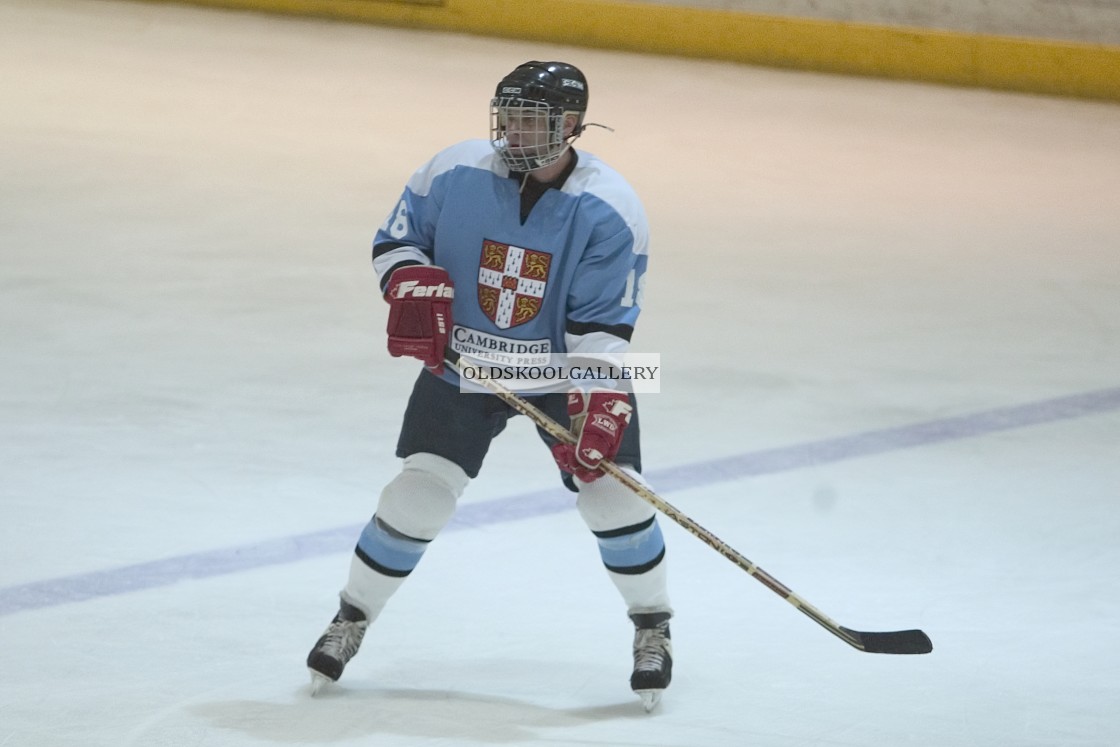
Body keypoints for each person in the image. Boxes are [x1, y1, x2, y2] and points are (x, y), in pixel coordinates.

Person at [306, 60, 673, 711]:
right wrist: (410, 285)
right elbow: (398, 240)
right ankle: (352, 615)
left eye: (535, 116)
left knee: (612, 496)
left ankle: (652, 626)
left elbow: (600, 322)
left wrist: (597, 399)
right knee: (418, 492)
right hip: (462, 365)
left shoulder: (610, 207)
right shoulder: (454, 168)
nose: (515, 127)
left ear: (574, 126)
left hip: (563, 373)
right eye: (509, 112)